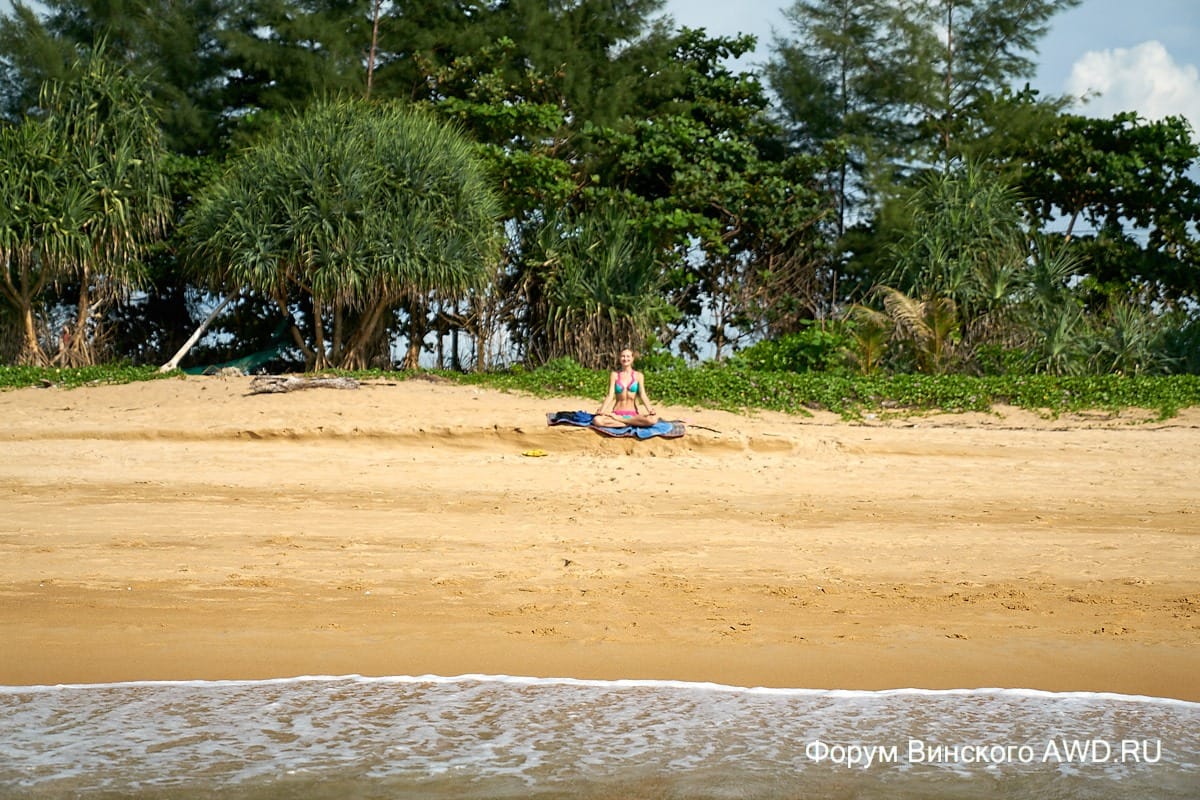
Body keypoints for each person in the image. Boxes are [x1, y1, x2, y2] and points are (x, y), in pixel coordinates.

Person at [593, 347, 660, 427]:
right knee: (597, 420)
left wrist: (650, 410)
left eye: (628, 356)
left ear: (632, 358)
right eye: (623, 356)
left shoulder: (639, 376)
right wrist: (602, 409)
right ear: (619, 358)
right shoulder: (614, 375)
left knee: (653, 420)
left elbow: (643, 395)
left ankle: (623, 422)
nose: (625, 359)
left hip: (633, 415)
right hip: (616, 413)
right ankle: (628, 424)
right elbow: (610, 395)